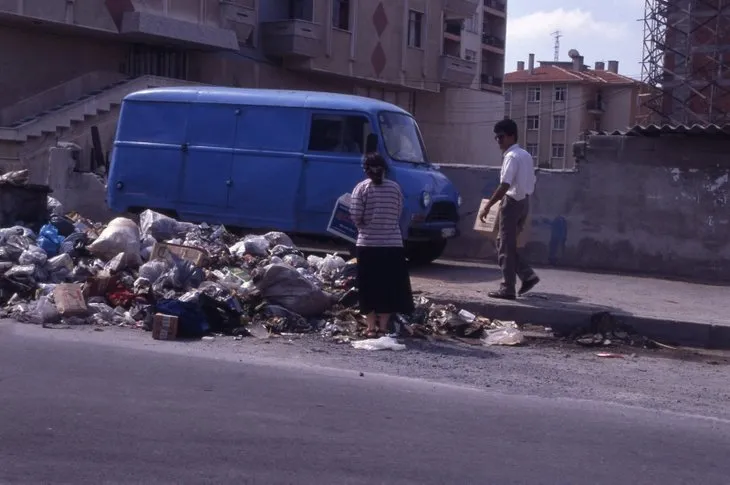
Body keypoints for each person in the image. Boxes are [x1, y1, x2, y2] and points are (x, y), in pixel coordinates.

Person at [349, 152, 414, 337]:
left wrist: (366, 227)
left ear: (365, 170)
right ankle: (383, 327)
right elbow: (399, 213)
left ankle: (370, 328)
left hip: (368, 244)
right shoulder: (395, 188)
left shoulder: (361, 189)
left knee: (368, 287)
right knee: (387, 286)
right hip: (393, 246)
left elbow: (355, 216)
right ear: (385, 169)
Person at [479, 118, 539, 300]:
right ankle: (527, 275)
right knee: (504, 243)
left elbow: (505, 185)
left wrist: (488, 206)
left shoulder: (511, 156)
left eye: (501, 137)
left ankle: (508, 288)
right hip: (524, 202)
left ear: (511, 136)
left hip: (512, 202)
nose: (498, 141)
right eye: (496, 138)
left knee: (504, 245)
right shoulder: (525, 155)